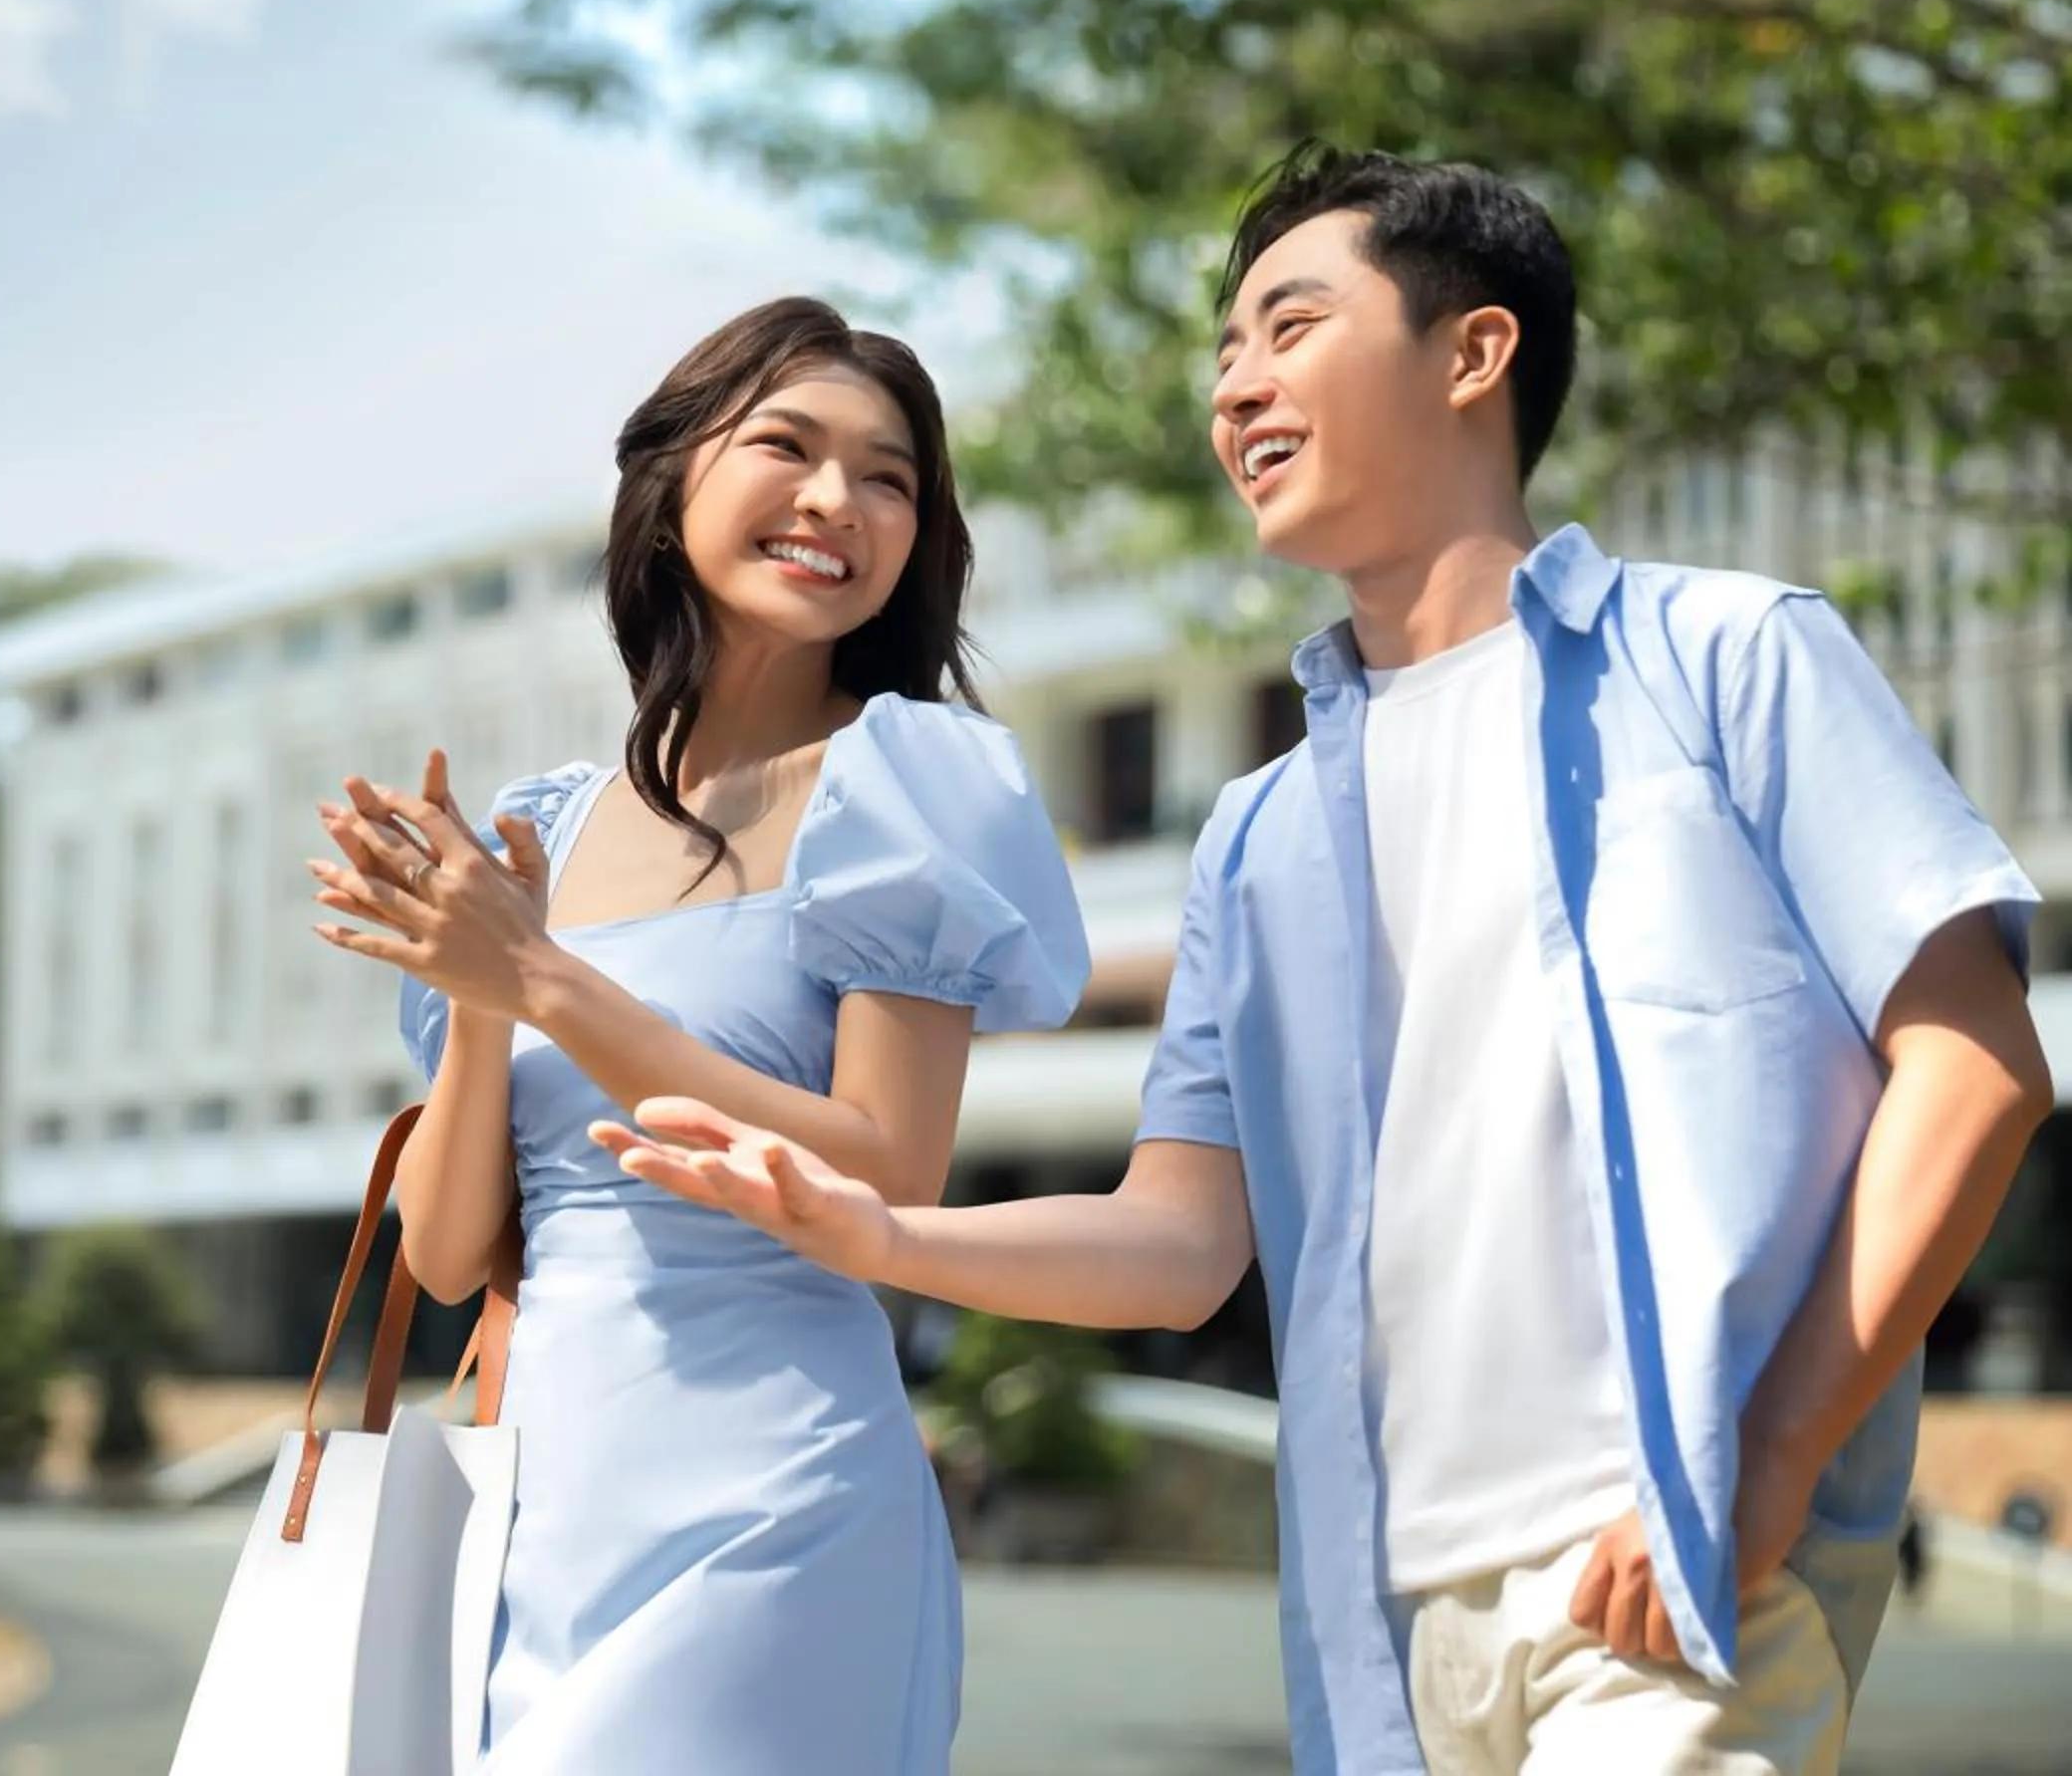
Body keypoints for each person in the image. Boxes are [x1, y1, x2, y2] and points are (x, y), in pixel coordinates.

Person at [596, 148, 2054, 1773]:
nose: (1237, 391)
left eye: (1288, 326)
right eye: (1225, 357)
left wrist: (1763, 1459)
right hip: (1389, 1632)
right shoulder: (1259, 834)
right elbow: (1178, 1242)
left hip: (1670, 1573)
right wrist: (884, 1231)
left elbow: (1977, 1065)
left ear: (1472, 353)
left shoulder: (1724, 660)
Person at [305, 297, 1088, 1774]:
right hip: (537, 1518)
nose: (835, 503)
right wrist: (482, 991)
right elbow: (447, 1252)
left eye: (888, 478)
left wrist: (543, 979)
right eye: (786, 445)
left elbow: (888, 1175)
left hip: (780, 1509)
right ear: (670, 487)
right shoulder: (543, 824)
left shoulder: (904, 783)